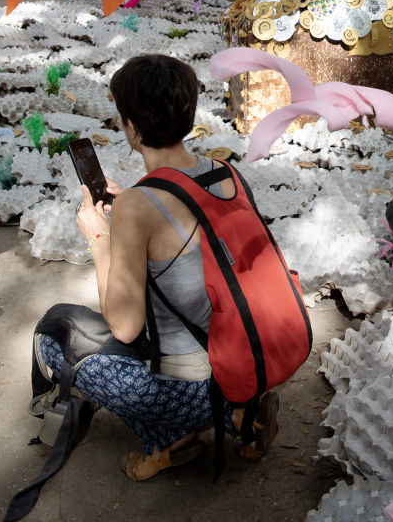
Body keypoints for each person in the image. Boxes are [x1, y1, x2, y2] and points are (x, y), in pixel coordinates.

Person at [41, 54, 280, 481]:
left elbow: (125, 327)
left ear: (132, 129)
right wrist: (133, 203)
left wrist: (99, 239)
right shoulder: (224, 173)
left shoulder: (138, 206)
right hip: (247, 361)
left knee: (52, 335)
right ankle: (241, 416)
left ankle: (169, 438)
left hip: (189, 390)